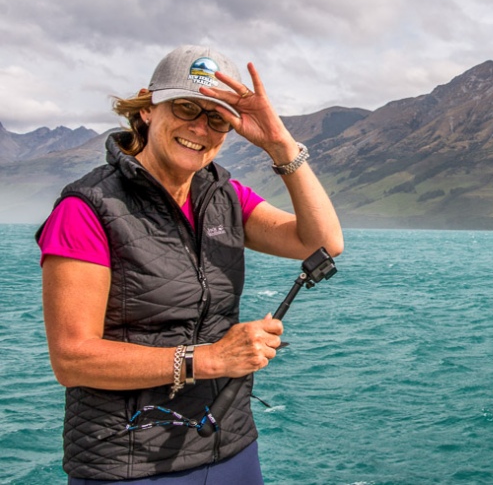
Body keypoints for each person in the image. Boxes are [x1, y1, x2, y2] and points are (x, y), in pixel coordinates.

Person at [37, 45, 343, 484]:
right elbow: (72, 359)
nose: (199, 127)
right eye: (185, 107)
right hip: (131, 463)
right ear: (147, 108)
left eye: (217, 118)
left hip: (230, 447)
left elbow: (322, 242)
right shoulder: (87, 208)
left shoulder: (224, 196)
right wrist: (211, 359)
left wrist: (280, 144)